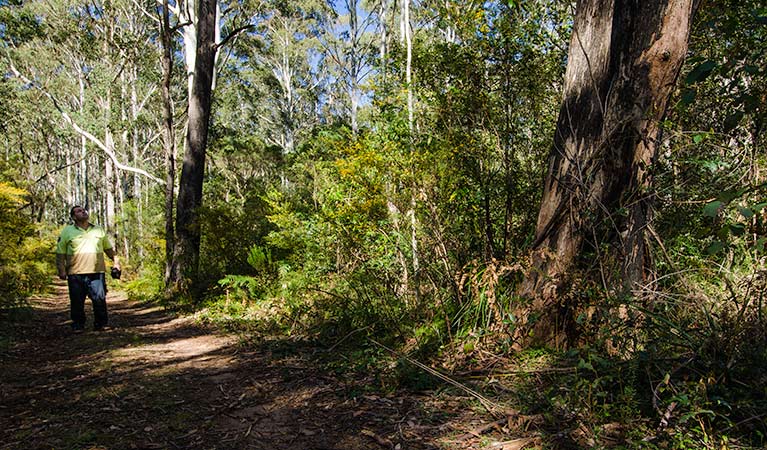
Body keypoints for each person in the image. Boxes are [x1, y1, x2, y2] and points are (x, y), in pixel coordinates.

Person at [56, 205, 120, 332]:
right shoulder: (67, 231)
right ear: (74, 217)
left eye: (84, 210)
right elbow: (60, 252)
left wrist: (116, 262)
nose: (83, 212)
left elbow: (108, 248)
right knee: (77, 301)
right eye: (79, 211)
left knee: (99, 299)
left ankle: (101, 324)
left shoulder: (98, 230)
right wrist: (61, 270)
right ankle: (78, 325)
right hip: (75, 272)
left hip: (96, 271)